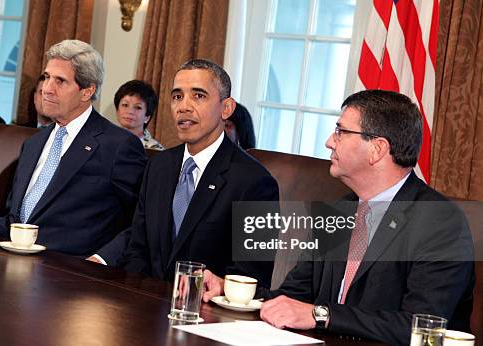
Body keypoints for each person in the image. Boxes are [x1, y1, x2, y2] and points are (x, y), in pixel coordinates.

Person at [202, 89, 475, 345]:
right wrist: (233, 291)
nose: (329, 142)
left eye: (341, 132)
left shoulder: (440, 223)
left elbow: (421, 327)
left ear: (377, 149)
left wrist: (322, 315)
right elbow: (294, 298)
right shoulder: (338, 211)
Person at [94, 59, 279, 287]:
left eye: (198, 96)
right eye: (177, 96)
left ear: (226, 108)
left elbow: (253, 278)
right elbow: (137, 250)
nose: (183, 106)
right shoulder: (158, 166)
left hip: (207, 315)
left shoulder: (257, 182)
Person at [0, 39, 147, 256]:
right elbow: (15, 219)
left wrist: (103, 260)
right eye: (46, 77)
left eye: (60, 81)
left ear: (87, 91)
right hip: (13, 261)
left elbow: (142, 220)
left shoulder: (118, 146)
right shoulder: (33, 143)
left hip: (75, 274)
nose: (46, 89)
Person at [114, 80, 164, 150]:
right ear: (117, 111)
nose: (130, 111)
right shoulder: (104, 141)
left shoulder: (155, 150)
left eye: (138, 107)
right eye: (125, 105)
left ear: (147, 117)